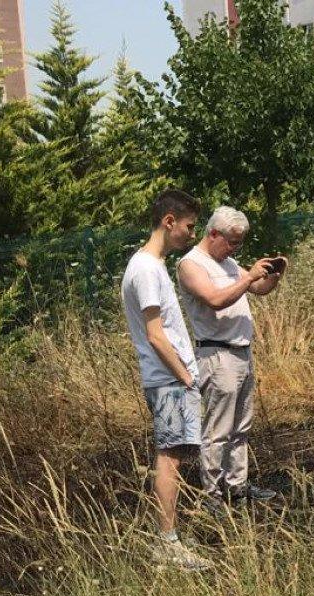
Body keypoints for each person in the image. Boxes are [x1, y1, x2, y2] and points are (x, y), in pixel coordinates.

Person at [121, 189, 212, 571]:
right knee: (169, 459)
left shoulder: (152, 266)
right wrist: (186, 377)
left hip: (171, 380)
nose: (192, 235)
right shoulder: (144, 268)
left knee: (175, 455)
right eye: (189, 226)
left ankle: (171, 537)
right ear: (169, 221)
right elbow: (156, 335)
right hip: (169, 380)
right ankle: (167, 544)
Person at [177, 206, 283, 512]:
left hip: (241, 352)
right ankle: (211, 495)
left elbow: (258, 289)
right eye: (232, 241)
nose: (235, 248)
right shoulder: (191, 265)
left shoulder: (228, 261)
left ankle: (238, 486)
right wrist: (248, 277)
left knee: (241, 427)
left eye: (239, 242)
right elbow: (215, 299)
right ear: (214, 234)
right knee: (218, 430)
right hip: (217, 354)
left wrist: (273, 275)